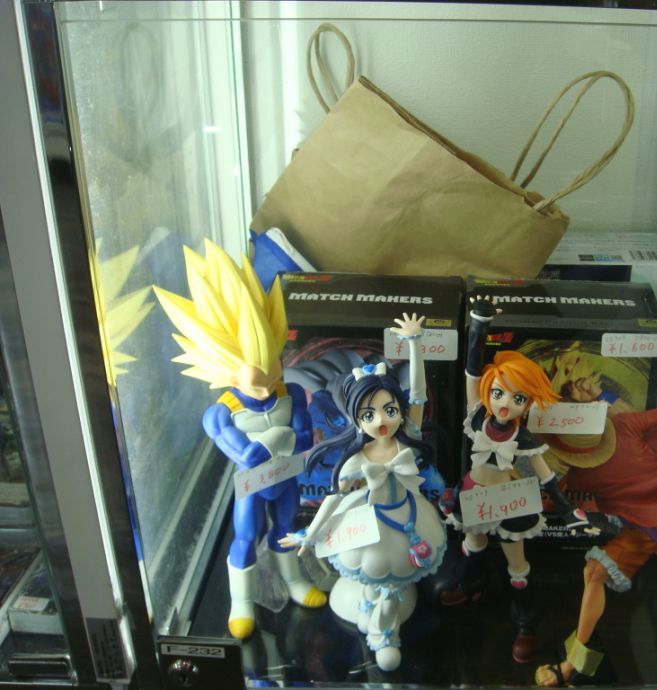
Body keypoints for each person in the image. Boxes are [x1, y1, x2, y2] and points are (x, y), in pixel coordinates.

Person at [154, 239, 325, 640]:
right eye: (256, 380)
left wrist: (282, 438)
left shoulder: (290, 392)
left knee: (286, 528)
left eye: (273, 370)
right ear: (228, 372)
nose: (267, 386)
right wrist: (279, 436)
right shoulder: (220, 413)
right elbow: (247, 456)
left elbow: (304, 441)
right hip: (252, 486)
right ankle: (241, 601)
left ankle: (294, 581)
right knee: (246, 536)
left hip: (286, 479)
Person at [281, 313, 447, 672]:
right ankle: (372, 612)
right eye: (369, 415)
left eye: (389, 410)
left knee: (395, 578)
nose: (381, 420)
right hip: (369, 524)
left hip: (410, 519)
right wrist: (310, 533)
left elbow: (418, 392)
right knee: (370, 572)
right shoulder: (357, 458)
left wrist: (415, 344)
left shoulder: (409, 436)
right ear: (356, 420)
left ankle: (385, 631)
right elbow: (334, 497)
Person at [534, 375, 657, 685]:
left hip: (645, 525)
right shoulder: (616, 433)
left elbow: (552, 498)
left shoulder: (601, 451)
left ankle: (572, 664)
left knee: (594, 573)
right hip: (641, 514)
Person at [442, 297, 591, 664]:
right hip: (475, 494)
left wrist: (569, 512)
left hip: (509, 502)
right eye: (498, 393)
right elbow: (472, 372)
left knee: (518, 566)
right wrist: (479, 324)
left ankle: (525, 623)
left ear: (528, 402)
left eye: (517, 397)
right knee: (473, 544)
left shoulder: (523, 438)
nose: (505, 403)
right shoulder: (477, 417)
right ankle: (471, 585)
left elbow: (546, 475)